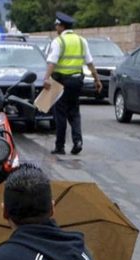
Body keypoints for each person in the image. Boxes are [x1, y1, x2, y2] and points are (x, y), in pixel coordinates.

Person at [43, 12, 102, 156]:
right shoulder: (82, 41)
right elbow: (90, 62)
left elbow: (52, 62)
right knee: (74, 112)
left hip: (61, 82)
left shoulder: (59, 41)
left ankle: (60, 146)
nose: (56, 27)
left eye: (57, 24)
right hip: (77, 82)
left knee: (60, 113)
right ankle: (78, 141)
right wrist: (97, 79)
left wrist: (46, 78)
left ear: (62, 26)